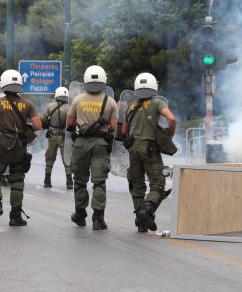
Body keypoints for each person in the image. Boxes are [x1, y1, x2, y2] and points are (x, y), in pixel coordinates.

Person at [0, 69, 41, 226]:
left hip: (0, 146)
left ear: (3, 84)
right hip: (18, 147)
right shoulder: (28, 104)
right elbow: (38, 125)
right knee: (17, 180)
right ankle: (15, 216)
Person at [121, 73, 176, 232]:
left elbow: (124, 130)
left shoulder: (131, 106)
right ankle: (148, 209)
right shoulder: (157, 102)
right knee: (158, 184)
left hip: (133, 149)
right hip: (150, 149)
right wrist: (168, 135)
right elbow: (171, 119)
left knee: (137, 184)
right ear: (154, 86)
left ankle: (141, 220)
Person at [67, 65, 118, 230]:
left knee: (80, 180)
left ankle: (80, 215)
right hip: (100, 144)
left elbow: (70, 124)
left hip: (81, 143)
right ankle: (98, 219)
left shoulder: (77, 99)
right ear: (104, 80)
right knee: (99, 182)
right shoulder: (110, 102)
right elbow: (112, 127)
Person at [42, 86, 73, 190]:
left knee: (50, 157)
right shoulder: (69, 108)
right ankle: (69, 182)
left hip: (52, 135)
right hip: (64, 136)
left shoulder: (50, 106)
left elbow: (42, 119)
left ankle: (47, 180)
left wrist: (47, 125)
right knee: (66, 158)